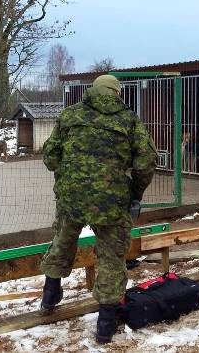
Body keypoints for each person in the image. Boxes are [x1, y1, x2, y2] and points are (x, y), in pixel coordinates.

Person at [39, 74, 157, 343]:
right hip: (111, 202)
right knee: (111, 257)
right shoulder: (128, 120)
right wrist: (135, 193)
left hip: (71, 198)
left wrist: (71, 174)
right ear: (117, 93)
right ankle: (105, 324)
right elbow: (146, 162)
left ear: (92, 91)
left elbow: (50, 157)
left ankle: (50, 294)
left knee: (62, 241)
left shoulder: (69, 115)